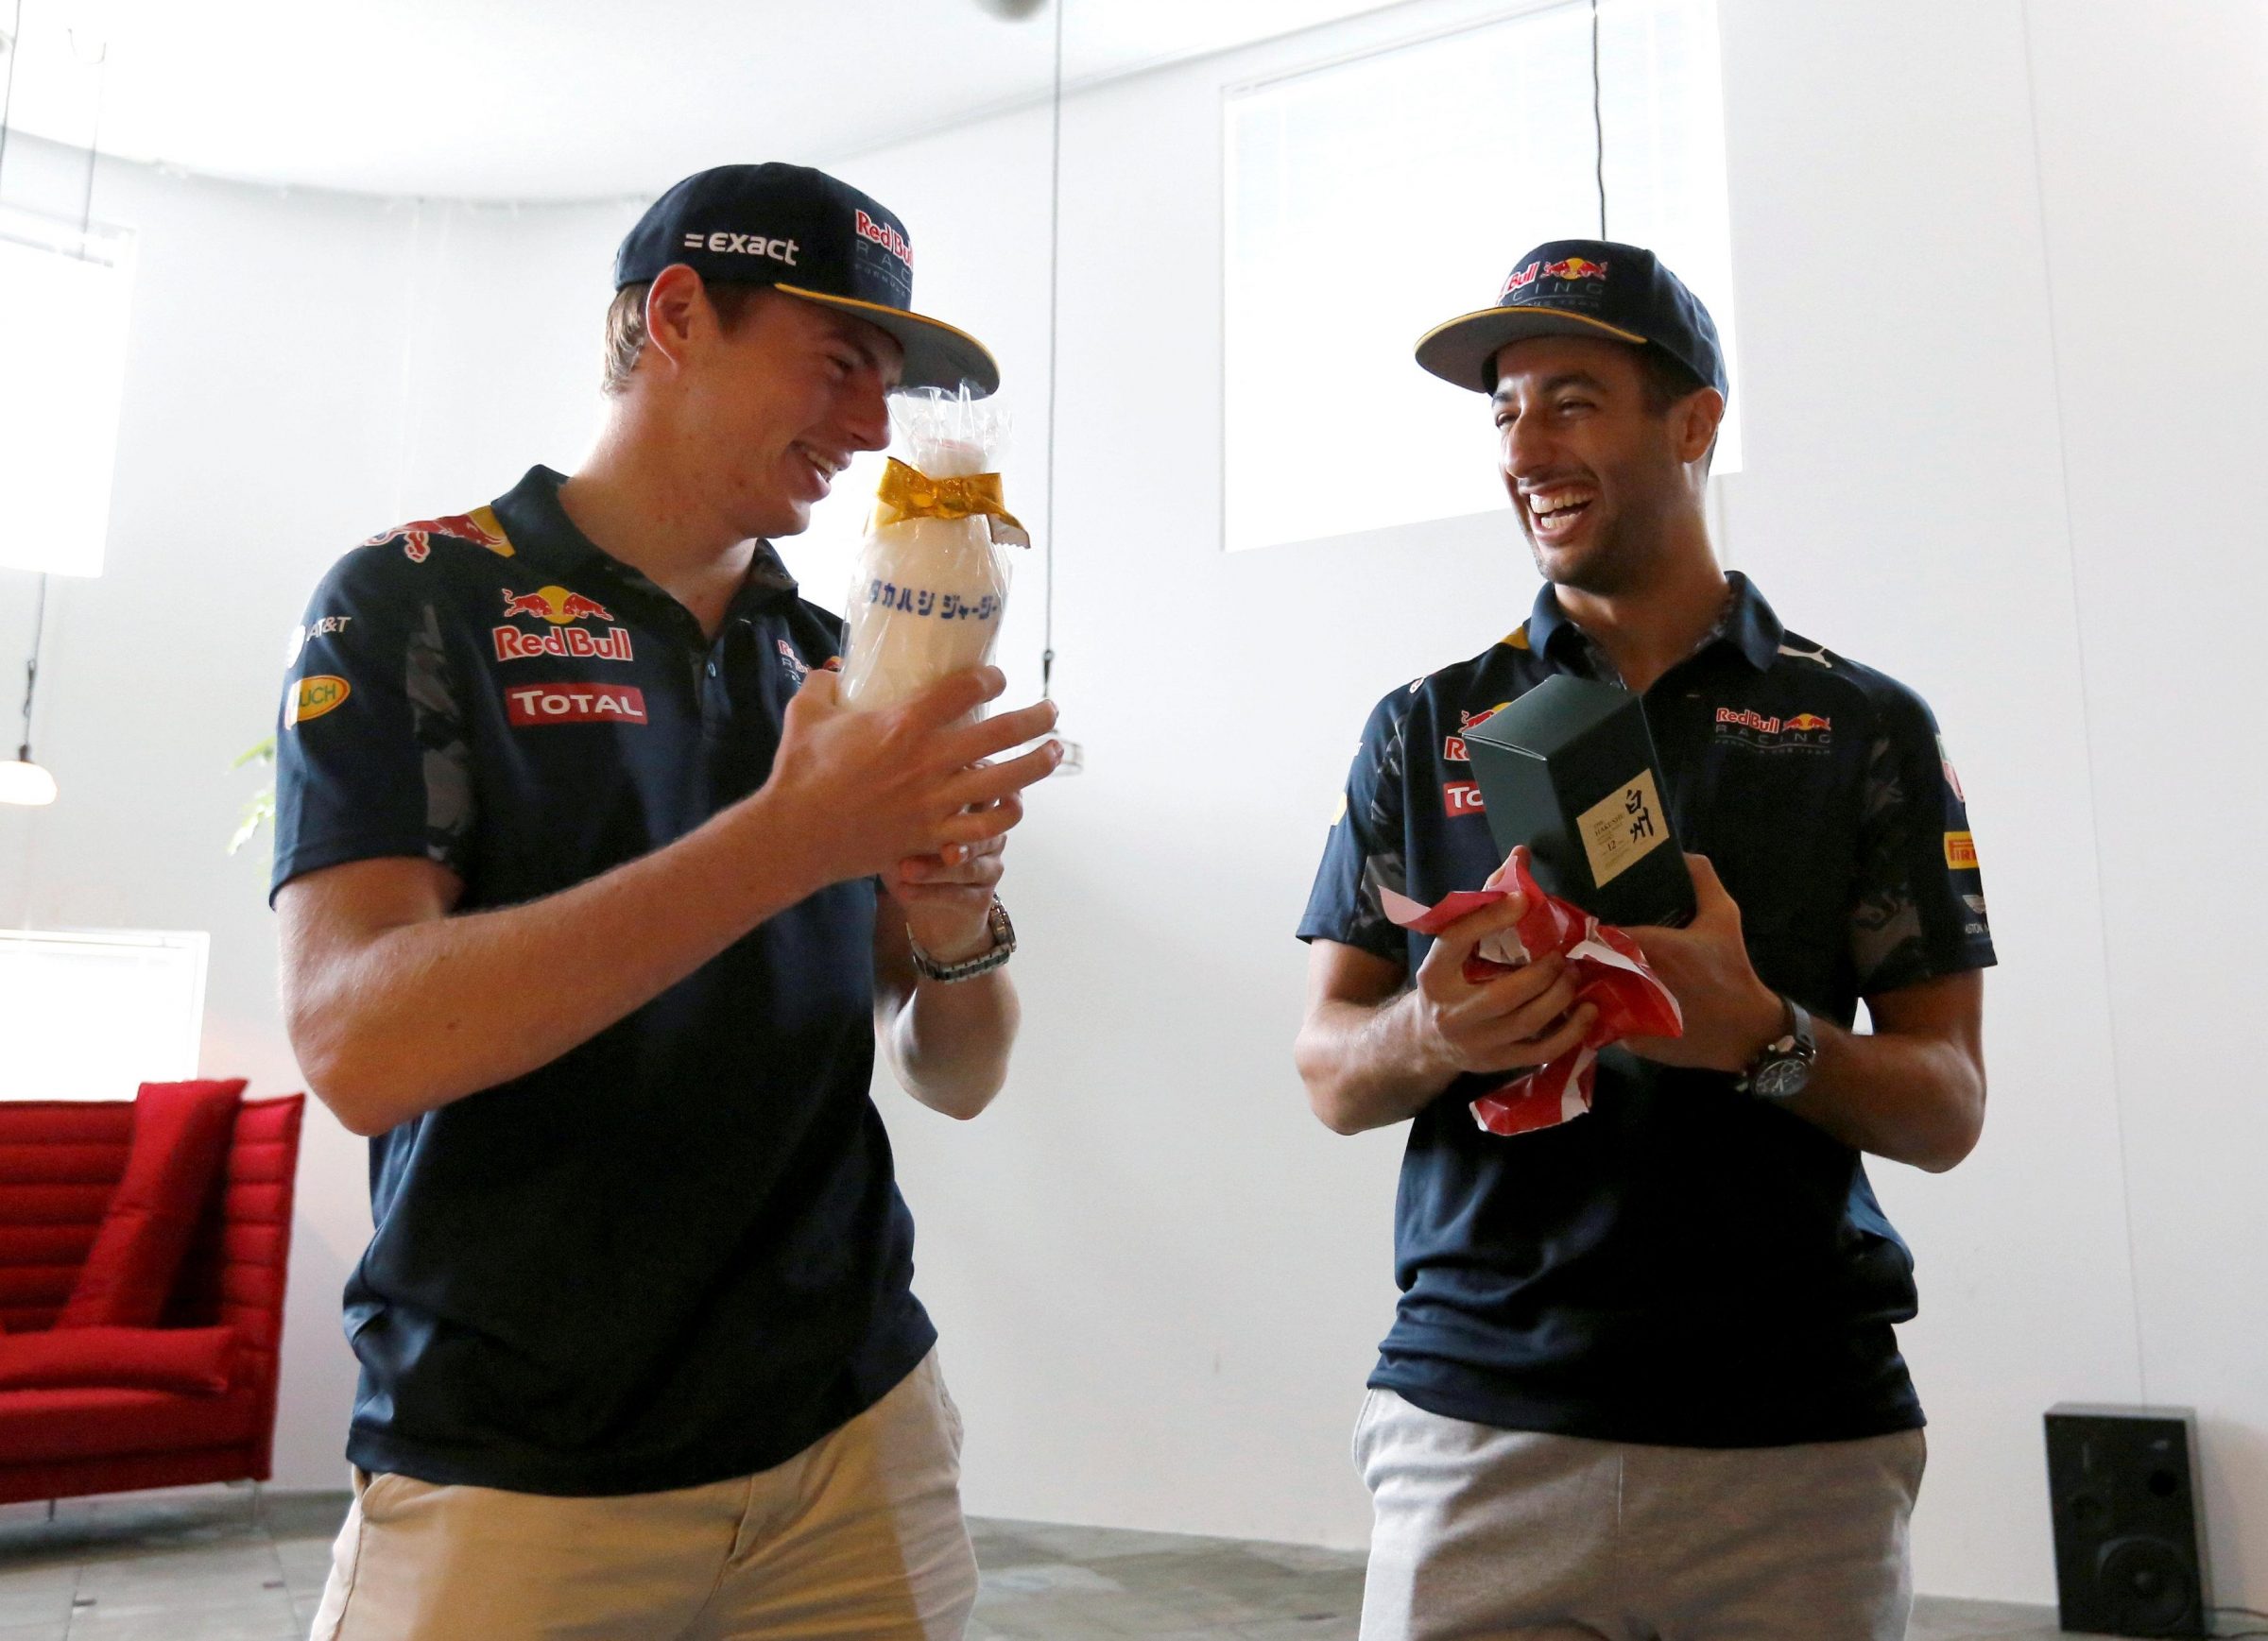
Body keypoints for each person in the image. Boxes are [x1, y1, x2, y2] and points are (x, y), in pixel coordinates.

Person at [273, 162, 1059, 1641]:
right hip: (514, 1467)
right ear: (680, 315)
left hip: (854, 1439)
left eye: (888, 384)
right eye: (839, 363)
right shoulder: (416, 597)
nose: (873, 428)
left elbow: (956, 1072)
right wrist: (787, 838)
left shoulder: (839, 662)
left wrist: (954, 915)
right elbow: (357, 1043)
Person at [1294, 239, 1995, 1641]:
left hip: (1794, 1445)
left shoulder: (1861, 727)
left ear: (1694, 421)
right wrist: (1435, 1030)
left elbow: (1948, 1105)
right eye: (1505, 411)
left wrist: (1765, 1038)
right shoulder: (1426, 724)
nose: (1525, 447)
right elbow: (1329, 1069)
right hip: (1478, 1422)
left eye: (1572, 401)